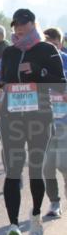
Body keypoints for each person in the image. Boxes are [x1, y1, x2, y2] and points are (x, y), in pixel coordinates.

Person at [0, 9, 66, 235]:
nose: (19, 28)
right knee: (13, 170)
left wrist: (38, 72)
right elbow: (3, 80)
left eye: (24, 24)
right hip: (11, 118)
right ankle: (13, 226)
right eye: (16, 24)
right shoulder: (9, 52)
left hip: (39, 117)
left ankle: (35, 214)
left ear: (34, 24)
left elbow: (61, 86)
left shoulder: (47, 50)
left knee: (36, 169)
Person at [42, 27, 67, 219]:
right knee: (47, 166)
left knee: (64, 165)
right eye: (46, 44)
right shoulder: (39, 64)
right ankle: (55, 202)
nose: (51, 47)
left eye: (53, 43)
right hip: (44, 123)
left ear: (60, 43)